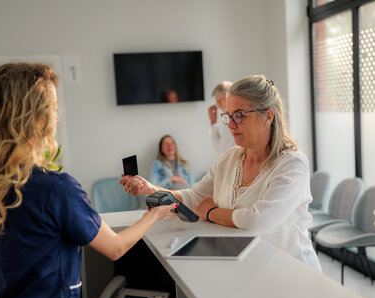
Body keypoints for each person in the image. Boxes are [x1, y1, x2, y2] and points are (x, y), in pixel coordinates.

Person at [0, 63, 178, 298]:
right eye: (53, 108)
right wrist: (153, 214)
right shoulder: (55, 189)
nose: (58, 117)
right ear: (36, 119)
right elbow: (114, 248)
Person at [122, 75, 321, 272]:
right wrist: (150, 189)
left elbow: (257, 220)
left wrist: (210, 212)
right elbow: (193, 198)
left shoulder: (292, 164)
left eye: (240, 115)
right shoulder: (229, 159)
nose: (231, 124)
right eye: (228, 115)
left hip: (291, 271)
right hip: (247, 269)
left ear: (268, 116)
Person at [208, 81, 235, 155]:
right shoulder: (240, 115)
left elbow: (222, 151)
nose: (218, 106)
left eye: (217, 103)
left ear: (223, 101)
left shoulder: (231, 121)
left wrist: (213, 123)